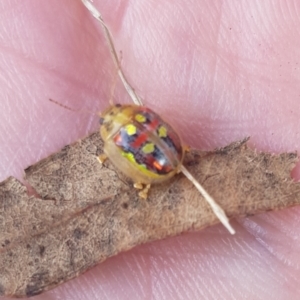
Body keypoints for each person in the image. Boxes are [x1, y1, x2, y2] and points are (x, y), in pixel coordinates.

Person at [0, 1, 299, 299]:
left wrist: (113, 159)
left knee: (124, 156)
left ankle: (145, 185)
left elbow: (120, 156)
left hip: (163, 162)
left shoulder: (114, 138)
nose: (109, 112)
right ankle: (146, 183)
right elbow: (151, 125)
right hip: (168, 154)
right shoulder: (136, 116)